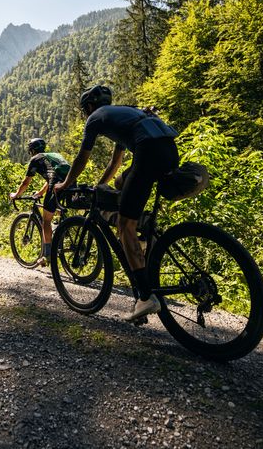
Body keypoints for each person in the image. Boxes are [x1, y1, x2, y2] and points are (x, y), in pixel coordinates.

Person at [54, 85, 179, 321]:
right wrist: (100, 185)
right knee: (123, 183)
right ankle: (141, 235)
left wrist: (66, 183)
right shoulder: (125, 113)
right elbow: (115, 163)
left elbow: (82, 156)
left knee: (124, 225)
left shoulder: (95, 118)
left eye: (85, 110)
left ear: (89, 107)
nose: (85, 114)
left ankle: (145, 297)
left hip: (148, 152)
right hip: (168, 149)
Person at [10, 138, 71, 267]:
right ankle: (62, 231)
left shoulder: (35, 159)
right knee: (56, 209)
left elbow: (25, 182)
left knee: (46, 220)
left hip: (56, 185)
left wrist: (16, 195)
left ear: (32, 150)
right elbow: (51, 176)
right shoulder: (53, 155)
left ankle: (47, 255)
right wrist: (41, 193)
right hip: (71, 182)